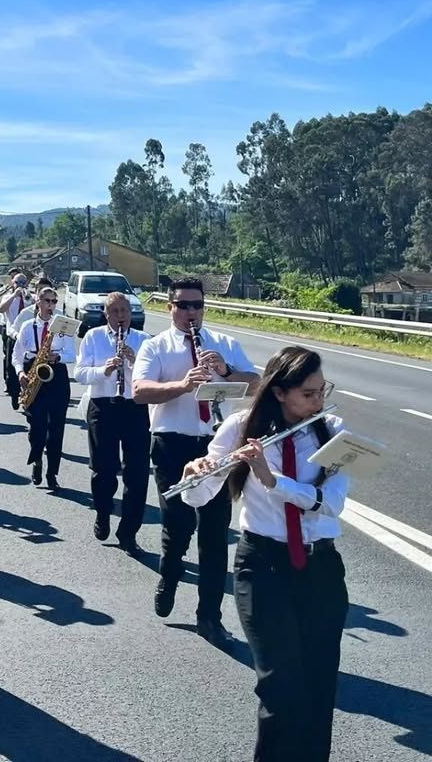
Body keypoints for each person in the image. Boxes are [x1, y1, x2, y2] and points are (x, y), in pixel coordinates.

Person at [181, 347, 346, 762]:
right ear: (279, 392)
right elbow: (201, 497)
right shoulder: (241, 427)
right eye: (308, 393)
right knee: (280, 685)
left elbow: (331, 502)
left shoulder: (333, 430)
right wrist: (194, 475)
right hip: (262, 565)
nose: (318, 400)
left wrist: (274, 480)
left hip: (321, 567)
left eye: (321, 390)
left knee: (318, 685)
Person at [132, 277, 259, 651]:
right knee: (177, 523)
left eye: (197, 305)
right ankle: (169, 575)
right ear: (170, 307)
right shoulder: (156, 346)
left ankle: (210, 617)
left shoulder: (224, 344)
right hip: (173, 442)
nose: (192, 312)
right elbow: (139, 392)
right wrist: (183, 385)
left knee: (216, 533)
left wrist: (225, 373)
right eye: (184, 305)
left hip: (219, 445)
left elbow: (257, 383)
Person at [73, 293, 151, 556]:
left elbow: (152, 376)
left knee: (137, 474)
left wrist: (133, 360)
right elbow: (80, 373)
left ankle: (128, 533)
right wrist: (103, 370)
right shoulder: (93, 337)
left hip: (135, 409)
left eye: (124, 311)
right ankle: (103, 512)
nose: (120, 316)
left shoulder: (143, 340)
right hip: (103, 407)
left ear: (131, 313)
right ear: (106, 315)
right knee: (104, 470)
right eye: (115, 311)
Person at [11, 285, 77, 490]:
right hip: (34, 372)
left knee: (57, 428)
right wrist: (21, 373)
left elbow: (73, 355)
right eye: (47, 301)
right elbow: (16, 354)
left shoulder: (63, 326)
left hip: (56, 376)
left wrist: (57, 356)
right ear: (38, 302)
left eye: (54, 301)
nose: (51, 305)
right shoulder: (27, 326)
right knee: (37, 426)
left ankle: (52, 472)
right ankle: (37, 459)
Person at [0, 273, 32, 408]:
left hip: (28, 338)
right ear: (13, 283)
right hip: (13, 337)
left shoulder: (30, 297)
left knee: (28, 367)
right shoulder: (7, 297)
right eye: (18, 282)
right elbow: (1, 309)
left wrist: (29, 298)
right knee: (12, 368)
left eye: (23, 282)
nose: (21, 285)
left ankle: (26, 396)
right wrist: (14, 296)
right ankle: (14, 393)